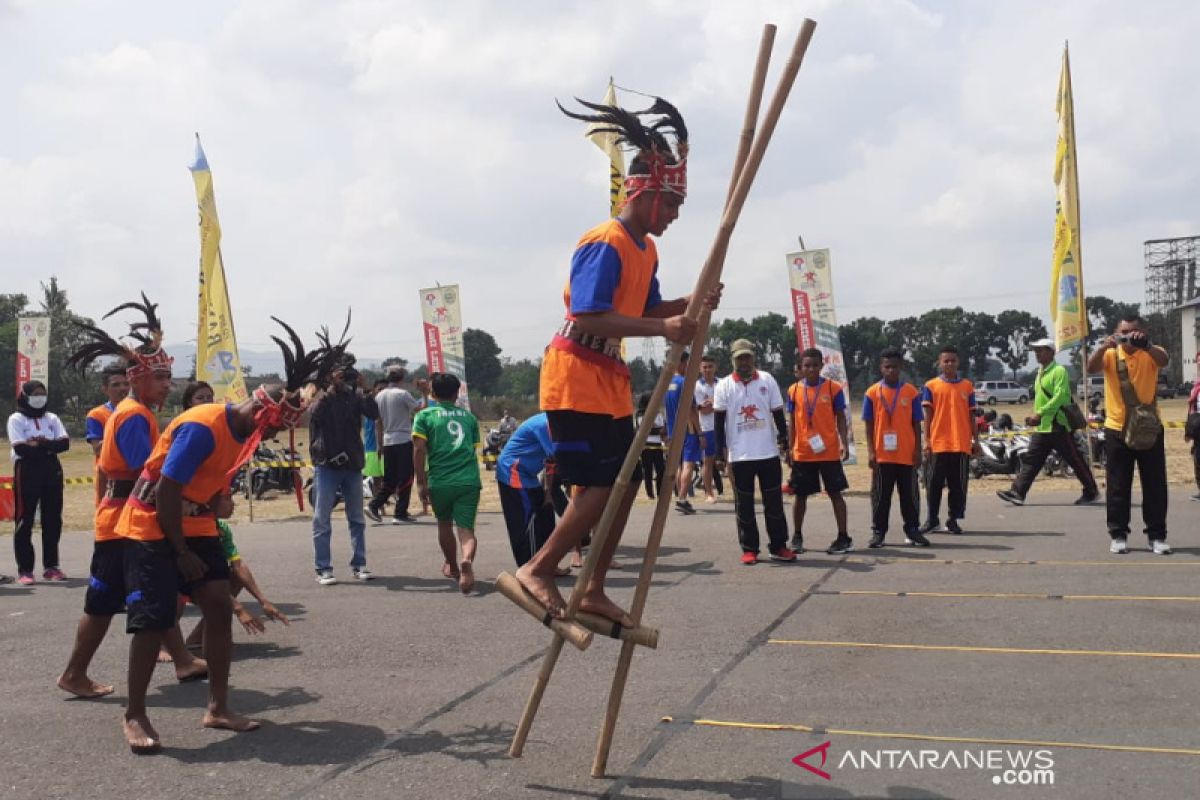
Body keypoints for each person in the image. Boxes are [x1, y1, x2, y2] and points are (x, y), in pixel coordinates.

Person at [516, 95, 721, 625]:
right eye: (671, 204)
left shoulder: (645, 250)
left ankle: (594, 587)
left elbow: (644, 307)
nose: (675, 215)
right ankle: (538, 568)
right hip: (575, 375)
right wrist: (662, 327)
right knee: (602, 484)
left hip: (608, 379)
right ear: (646, 193)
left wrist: (683, 306)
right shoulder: (604, 241)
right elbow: (588, 315)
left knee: (625, 484)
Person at [114, 316, 335, 753]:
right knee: (154, 621)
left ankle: (217, 707)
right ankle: (134, 714)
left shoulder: (244, 435)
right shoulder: (203, 425)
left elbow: (205, 484)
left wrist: (218, 501)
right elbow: (167, 489)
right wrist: (180, 552)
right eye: (271, 427)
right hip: (152, 524)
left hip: (195, 523)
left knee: (217, 607)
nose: (270, 435)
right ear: (260, 411)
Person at [58, 298, 206, 698]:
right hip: (128, 520)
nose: (166, 385)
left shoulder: (128, 411)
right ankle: (81, 673)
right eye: (159, 379)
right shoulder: (135, 415)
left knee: (122, 596)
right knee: (129, 596)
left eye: (167, 378)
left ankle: (181, 660)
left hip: (118, 517)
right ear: (138, 380)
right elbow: (149, 472)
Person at [1085, 314, 1172, 555]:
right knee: (1117, 485)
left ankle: (1156, 536)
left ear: (1144, 332)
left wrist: (1147, 344)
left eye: (1135, 332)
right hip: (1116, 427)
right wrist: (1104, 346)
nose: (1129, 337)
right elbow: (1090, 368)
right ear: (1116, 332)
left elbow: (1164, 360)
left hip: (1149, 427)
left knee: (1154, 484)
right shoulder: (1112, 354)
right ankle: (1118, 534)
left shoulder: (1151, 353)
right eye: (1124, 332)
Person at [714, 339, 796, 564]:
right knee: (744, 504)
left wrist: (784, 441)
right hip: (740, 456)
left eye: (747, 357)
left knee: (774, 503)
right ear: (733, 359)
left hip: (767, 453)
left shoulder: (767, 380)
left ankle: (778, 546)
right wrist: (720, 454)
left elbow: (778, 413)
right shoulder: (724, 386)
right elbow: (719, 422)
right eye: (740, 357)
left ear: (753, 358)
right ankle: (750, 548)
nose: (744, 361)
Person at [997, 339, 1099, 508]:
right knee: (1032, 460)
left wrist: (1040, 413)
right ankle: (1018, 492)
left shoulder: (1059, 371)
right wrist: (1035, 416)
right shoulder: (1040, 372)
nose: (1037, 354)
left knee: (1074, 459)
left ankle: (1091, 490)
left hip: (1057, 424)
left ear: (1051, 352)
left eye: (1041, 350)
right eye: (1036, 351)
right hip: (1043, 426)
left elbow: (1060, 397)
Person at [309, 354, 379, 584]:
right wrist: (330, 390)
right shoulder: (321, 395)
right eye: (339, 373)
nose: (343, 377)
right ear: (329, 375)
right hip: (327, 464)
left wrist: (365, 388)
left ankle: (359, 564)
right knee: (322, 519)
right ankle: (323, 568)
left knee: (357, 518)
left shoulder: (355, 396)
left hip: (352, 463)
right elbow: (314, 414)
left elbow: (373, 413)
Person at [413, 373, 482, 594]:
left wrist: (421, 482)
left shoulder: (424, 416)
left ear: (432, 393)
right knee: (466, 529)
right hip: (468, 480)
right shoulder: (469, 418)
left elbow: (419, 450)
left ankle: (452, 566)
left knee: (444, 524)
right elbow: (472, 448)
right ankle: (467, 560)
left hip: (440, 481)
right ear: (457, 393)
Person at [786, 348, 850, 554]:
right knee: (800, 495)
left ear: (822, 366)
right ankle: (796, 536)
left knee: (835, 493)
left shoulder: (834, 388)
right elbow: (792, 423)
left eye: (815, 365)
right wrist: (790, 447)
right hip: (803, 452)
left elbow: (840, 417)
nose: (811, 369)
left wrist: (844, 443)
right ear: (800, 368)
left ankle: (843, 537)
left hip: (828, 451)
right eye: (807, 365)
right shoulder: (793, 390)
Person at [862, 348, 927, 549]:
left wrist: (917, 450)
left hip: (906, 455)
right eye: (887, 367)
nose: (891, 370)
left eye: (895, 367)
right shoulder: (872, 393)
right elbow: (869, 424)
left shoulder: (911, 392)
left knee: (910, 496)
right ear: (881, 368)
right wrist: (871, 452)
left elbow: (917, 423)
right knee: (881, 497)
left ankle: (913, 530)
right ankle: (878, 533)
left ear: (901, 368)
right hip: (882, 456)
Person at [7, 381, 69, 584]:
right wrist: (49, 445)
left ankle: (51, 566)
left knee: (53, 518)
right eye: (35, 394)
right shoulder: (16, 419)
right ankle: (25, 569)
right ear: (25, 396)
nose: (39, 397)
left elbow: (64, 444)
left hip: (51, 469)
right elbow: (21, 449)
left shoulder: (51, 418)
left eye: (42, 394)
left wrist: (39, 443)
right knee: (25, 519)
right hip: (27, 469)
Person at [495, 411, 571, 569]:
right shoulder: (545, 424)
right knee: (526, 521)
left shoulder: (559, 425)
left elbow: (551, 464)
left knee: (546, 516)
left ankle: (547, 565)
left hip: (528, 475)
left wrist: (549, 493)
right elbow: (558, 456)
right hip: (513, 471)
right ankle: (528, 569)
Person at [919, 346, 980, 534]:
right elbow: (928, 416)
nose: (950, 364)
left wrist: (975, 440)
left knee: (959, 485)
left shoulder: (967, 386)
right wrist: (927, 440)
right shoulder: (931, 386)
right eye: (946, 361)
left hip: (961, 444)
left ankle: (953, 520)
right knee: (933, 484)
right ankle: (932, 519)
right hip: (938, 443)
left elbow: (972, 416)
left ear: (958, 362)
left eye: (953, 360)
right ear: (939, 363)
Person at [367, 367, 425, 524]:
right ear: (402, 379)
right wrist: (424, 393)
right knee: (406, 477)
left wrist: (380, 444)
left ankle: (374, 504)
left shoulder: (380, 395)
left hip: (387, 440)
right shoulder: (402, 394)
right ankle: (400, 512)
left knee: (390, 478)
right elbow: (420, 410)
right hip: (403, 438)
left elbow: (378, 422)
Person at [86, 363, 130, 505]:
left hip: (134, 473)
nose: (122, 388)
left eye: (125, 384)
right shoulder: (97, 414)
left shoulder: (139, 412)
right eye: (116, 385)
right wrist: (123, 434)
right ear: (105, 389)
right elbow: (98, 449)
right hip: (109, 477)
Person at [664, 351, 701, 514]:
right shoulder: (685, 382)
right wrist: (699, 432)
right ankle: (682, 498)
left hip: (673, 430)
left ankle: (680, 496)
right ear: (683, 363)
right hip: (688, 429)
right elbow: (691, 410)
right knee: (688, 464)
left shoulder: (667, 383)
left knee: (679, 465)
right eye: (687, 363)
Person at [695, 354, 721, 502]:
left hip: (724, 426)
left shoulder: (723, 383)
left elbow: (728, 405)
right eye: (704, 367)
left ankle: (738, 491)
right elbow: (703, 409)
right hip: (707, 428)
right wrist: (717, 403)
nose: (707, 370)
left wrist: (712, 403)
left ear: (715, 367)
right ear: (700, 368)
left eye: (710, 366)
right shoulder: (697, 386)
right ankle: (709, 493)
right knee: (708, 461)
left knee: (730, 460)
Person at [636, 391, 666, 499]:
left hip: (658, 445)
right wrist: (657, 429)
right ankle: (650, 494)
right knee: (648, 471)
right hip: (646, 446)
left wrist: (657, 429)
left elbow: (663, 428)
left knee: (661, 470)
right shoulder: (640, 414)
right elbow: (646, 429)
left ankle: (659, 492)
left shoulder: (658, 414)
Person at [362, 378, 387, 501]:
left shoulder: (388, 406)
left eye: (385, 389)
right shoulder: (368, 404)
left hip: (386, 447)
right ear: (374, 390)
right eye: (380, 389)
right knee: (377, 479)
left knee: (388, 478)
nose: (382, 392)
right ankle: (378, 506)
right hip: (372, 448)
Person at [1185, 376, 1200, 502]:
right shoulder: (1196, 386)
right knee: (1197, 458)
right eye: (1198, 361)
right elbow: (1191, 409)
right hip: (1197, 427)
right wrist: (1188, 431)